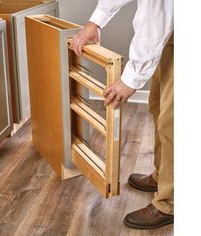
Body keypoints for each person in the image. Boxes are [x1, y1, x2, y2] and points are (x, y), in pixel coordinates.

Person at [70, 0, 174, 230]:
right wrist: (95, 22)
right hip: (170, 36)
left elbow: (156, 15)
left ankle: (170, 201)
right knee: (159, 107)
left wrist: (130, 79)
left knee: (175, 122)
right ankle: (163, 177)